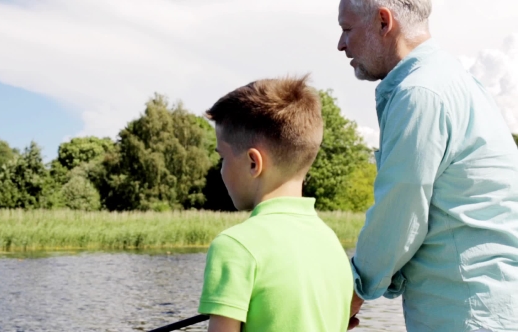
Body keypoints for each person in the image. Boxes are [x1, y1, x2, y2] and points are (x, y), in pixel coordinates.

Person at [337, 0, 518, 331]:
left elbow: (399, 213)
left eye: (346, 29)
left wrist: (350, 292)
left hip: (464, 315)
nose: (341, 44)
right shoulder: (456, 81)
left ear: (382, 21)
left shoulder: (418, 93)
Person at [197, 75, 353, 331]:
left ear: (253, 163)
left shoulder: (235, 246)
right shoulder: (331, 244)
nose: (221, 171)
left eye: (222, 158)